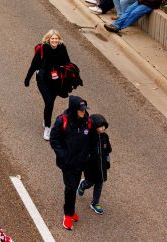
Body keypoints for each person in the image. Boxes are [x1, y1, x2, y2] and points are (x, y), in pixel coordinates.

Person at [49, 95, 92, 231]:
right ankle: (68, 214)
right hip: (68, 163)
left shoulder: (86, 120)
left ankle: (71, 209)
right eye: (81, 110)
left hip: (80, 162)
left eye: (84, 110)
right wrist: (63, 157)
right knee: (71, 188)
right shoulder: (62, 121)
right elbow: (54, 140)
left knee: (73, 186)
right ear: (74, 109)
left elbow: (90, 137)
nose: (83, 112)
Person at [24, 30, 70, 140]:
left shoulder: (62, 48)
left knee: (50, 103)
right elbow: (34, 65)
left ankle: (46, 118)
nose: (54, 40)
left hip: (56, 80)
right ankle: (48, 129)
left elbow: (67, 62)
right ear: (48, 39)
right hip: (43, 79)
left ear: (59, 39)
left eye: (56, 38)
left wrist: (66, 71)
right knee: (49, 103)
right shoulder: (42, 49)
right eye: (52, 38)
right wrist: (27, 79)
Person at [76, 113, 111, 215]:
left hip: (101, 167)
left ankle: (95, 203)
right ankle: (83, 185)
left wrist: (107, 161)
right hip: (90, 167)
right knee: (90, 182)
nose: (103, 128)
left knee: (99, 183)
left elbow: (108, 151)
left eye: (104, 126)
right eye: (100, 126)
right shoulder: (89, 137)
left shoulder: (105, 137)